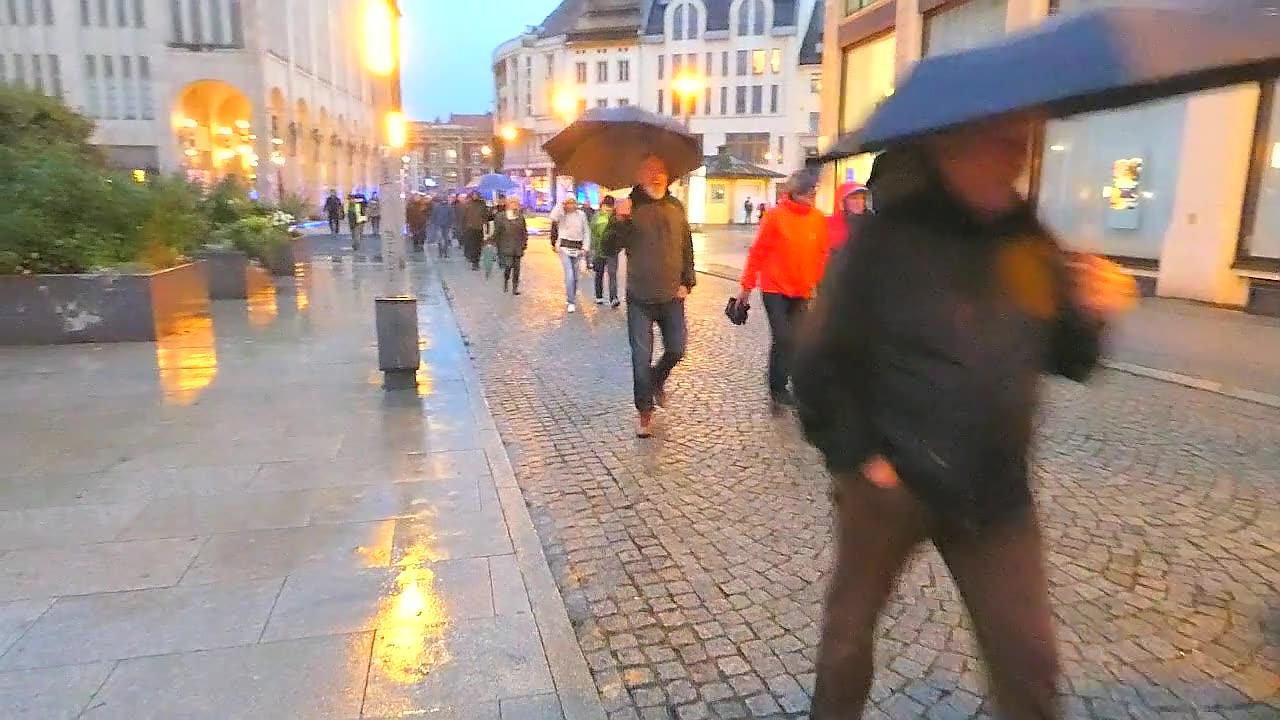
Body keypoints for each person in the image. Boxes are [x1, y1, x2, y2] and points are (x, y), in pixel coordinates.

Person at [792, 116, 1134, 720]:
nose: (1015, 156)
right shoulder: (886, 238)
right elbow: (817, 363)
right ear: (950, 147)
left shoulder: (1027, 239)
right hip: (889, 484)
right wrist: (861, 457)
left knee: (1028, 665)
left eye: (1023, 143)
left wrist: (1094, 309)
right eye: (1001, 141)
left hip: (994, 492)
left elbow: (1068, 356)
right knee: (848, 641)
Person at [604, 153, 696, 438]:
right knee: (640, 358)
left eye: (661, 170)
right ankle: (644, 412)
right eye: (649, 170)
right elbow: (607, 248)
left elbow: (686, 247)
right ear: (639, 175)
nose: (656, 175)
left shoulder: (675, 206)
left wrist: (687, 282)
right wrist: (619, 220)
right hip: (640, 298)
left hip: (671, 296)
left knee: (677, 349)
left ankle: (656, 381)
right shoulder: (629, 208)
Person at [737, 169, 830, 413]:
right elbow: (757, 252)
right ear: (796, 192)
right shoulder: (776, 217)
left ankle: (788, 379)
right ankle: (778, 387)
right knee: (784, 336)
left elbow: (822, 254)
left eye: (814, 192)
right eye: (809, 192)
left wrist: (818, 285)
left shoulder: (819, 219)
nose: (812, 196)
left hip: (802, 289)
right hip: (774, 288)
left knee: (797, 338)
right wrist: (746, 287)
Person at [549, 196, 590, 313]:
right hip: (564, 247)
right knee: (569, 274)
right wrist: (560, 204)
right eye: (569, 203)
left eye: (573, 203)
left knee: (576, 276)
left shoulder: (581, 215)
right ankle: (570, 301)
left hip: (577, 247)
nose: (571, 205)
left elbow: (586, 231)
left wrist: (585, 247)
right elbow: (553, 217)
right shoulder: (561, 214)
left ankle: (572, 293)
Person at [589, 195, 621, 307]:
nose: (608, 209)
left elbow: (620, 233)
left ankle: (614, 298)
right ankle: (599, 296)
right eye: (606, 207)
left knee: (612, 274)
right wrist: (591, 251)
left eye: (610, 207)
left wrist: (618, 246)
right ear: (602, 206)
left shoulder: (616, 217)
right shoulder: (596, 217)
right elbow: (592, 234)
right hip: (600, 250)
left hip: (612, 251)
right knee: (599, 273)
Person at [493, 195, 528, 295]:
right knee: (508, 266)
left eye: (516, 204)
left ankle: (515, 287)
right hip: (506, 246)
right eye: (513, 203)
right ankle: (506, 281)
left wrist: (524, 243)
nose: (515, 206)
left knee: (517, 269)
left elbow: (524, 231)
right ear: (508, 205)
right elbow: (497, 232)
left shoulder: (520, 217)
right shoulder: (501, 217)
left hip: (517, 247)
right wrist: (494, 243)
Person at [828, 182, 869, 251]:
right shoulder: (829, 225)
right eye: (854, 198)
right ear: (842, 202)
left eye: (863, 198)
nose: (859, 202)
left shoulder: (870, 224)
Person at [458, 191, 491, 270]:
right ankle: (474, 262)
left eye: (476, 195)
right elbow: (463, 217)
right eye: (474, 195)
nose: (475, 196)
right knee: (472, 245)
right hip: (470, 228)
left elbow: (486, 216)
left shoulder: (482, 204)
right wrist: (462, 227)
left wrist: (487, 226)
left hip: (479, 228)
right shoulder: (468, 204)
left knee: (478, 246)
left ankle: (476, 260)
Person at [431, 194, 454, 258]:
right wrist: (434, 223)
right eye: (443, 199)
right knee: (440, 239)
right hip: (439, 225)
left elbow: (451, 216)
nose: (444, 200)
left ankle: (445, 253)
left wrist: (450, 224)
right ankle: (441, 253)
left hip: (445, 225)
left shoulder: (448, 207)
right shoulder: (437, 207)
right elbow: (434, 215)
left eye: (445, 199)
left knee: (445, 239)